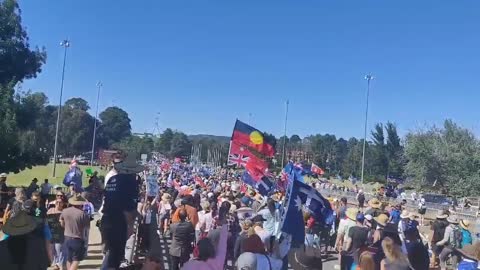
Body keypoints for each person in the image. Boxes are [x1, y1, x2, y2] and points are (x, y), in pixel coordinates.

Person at [101, 153, 143, 270]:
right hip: (119, 222)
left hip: (108, 219)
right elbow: (127, 208)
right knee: (113, 257)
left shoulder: (112, 178)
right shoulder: (129, 180)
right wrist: (129, 225)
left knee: (110, 254)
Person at [47, 197, 67, 270]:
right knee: (53, 251)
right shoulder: (50, 211)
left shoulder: (64, 212)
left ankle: (60, 265)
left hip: (61, 234)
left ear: (63, 204)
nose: (58, 204)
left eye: (60, 202)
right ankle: (56, 264)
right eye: (57, 202)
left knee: (60, 250)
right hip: (51, 234)